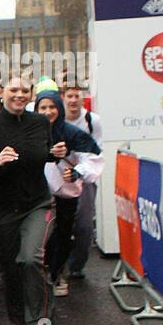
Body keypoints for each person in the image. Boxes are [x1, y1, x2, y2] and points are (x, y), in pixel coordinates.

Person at [0, 76, 59, 325]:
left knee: (30, 259)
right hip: (3, 208)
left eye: (25, 91)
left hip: (37, 202)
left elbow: (43, 153)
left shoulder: (40, 122)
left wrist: (55, 153)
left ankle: (39, 323)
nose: (20, 95)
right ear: (2, 93)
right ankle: (19, 320)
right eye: (14, 90)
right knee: (11, 267)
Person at [33, 87, 101, 297]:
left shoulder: (71, 133)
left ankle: (56, 273)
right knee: (39, 235)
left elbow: (93, 158)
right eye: (43, 107)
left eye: (52, 107)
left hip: (65, 193)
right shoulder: (29, 131)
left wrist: (77, 172)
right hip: (35, 193)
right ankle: (39, 274)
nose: (48, 111)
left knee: (63, 233)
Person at [62, 86, 102, 279]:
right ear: (63, 98)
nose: (73, 100)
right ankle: (58, 266)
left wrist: (82, 171)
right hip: (60, 179)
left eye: (77, 96)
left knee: (84, 226)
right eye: (69, 96)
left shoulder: (92, 121)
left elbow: (96, 153)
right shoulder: (55, 117)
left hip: (85, 179)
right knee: (61, 224)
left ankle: (77, 264)